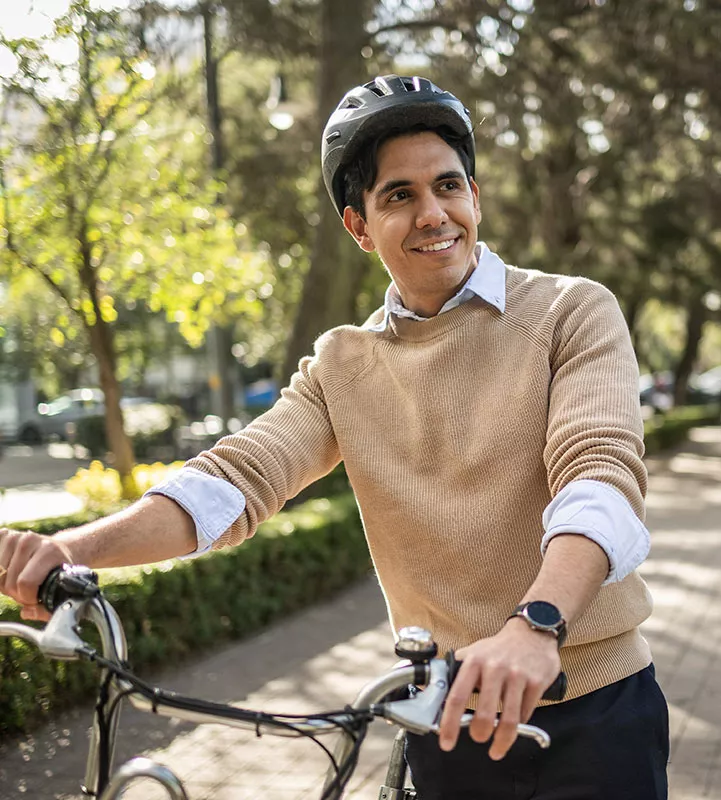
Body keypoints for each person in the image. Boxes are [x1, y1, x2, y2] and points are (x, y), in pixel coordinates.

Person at [0, 75, 668, 798]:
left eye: (448, 186)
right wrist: (73, 548)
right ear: (358, 227)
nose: (433, 213)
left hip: (597, 712)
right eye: (399, 196)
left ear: (475, 196)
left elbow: (599, 476)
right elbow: (235, 479)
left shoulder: (571, 311)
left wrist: (536, 625)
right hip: (449, 723)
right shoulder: (343, 363)